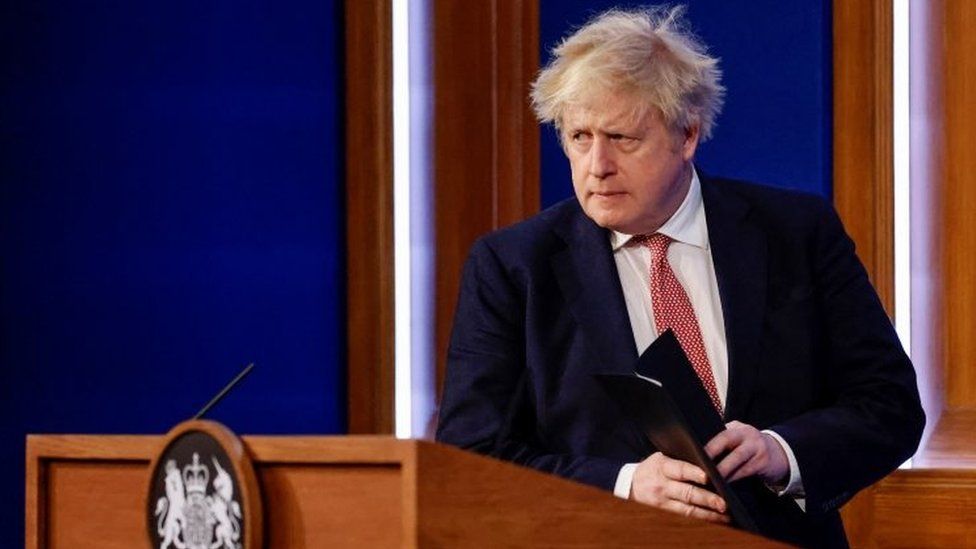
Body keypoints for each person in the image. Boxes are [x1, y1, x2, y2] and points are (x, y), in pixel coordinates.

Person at [435, 6, 923, 548]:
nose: (596, 165)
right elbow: (473, 456)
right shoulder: (512, 267)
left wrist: (780, 451)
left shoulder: (796, 235)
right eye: (578, 137)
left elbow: (889, 407)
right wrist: (622, 485)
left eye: (622, 138)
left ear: (686, 134)